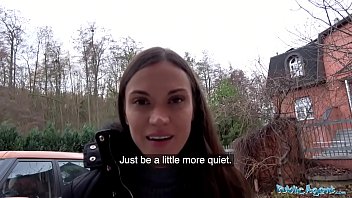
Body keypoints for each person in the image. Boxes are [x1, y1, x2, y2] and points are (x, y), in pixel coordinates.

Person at [63, 47, 253, 198]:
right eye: (141, 101)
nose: (159, 118)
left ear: (194, 109)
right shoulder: (82, 193)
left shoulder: (232, 188)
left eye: (176, 100)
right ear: (125, 113)